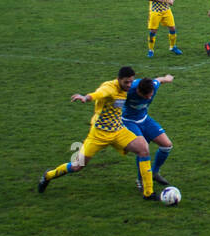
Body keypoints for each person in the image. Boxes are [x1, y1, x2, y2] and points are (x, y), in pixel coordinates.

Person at [37, 66, 162, 201]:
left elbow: (148, 84)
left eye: (131, 82)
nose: (129, 85)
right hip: (99, 135)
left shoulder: (127, 88)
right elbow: (99, 93)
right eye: (126, 82)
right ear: (118, 79)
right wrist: (86, 97)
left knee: (144, 149)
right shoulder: (109, 88)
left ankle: (148, 193)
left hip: (118, 131)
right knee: (77, 165)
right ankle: (48, 176)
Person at [123, 73, 175, 189]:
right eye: (146, 96)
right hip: (129, 121)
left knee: (167, 145)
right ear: (138, 91)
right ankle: (140, 180)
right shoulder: (128, 90)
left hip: (144, 119)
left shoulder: (153, 85)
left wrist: (167, 79)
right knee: (143, 149)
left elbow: (159, 79)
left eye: (151, 95)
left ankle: (154, 173)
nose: (149, 98)